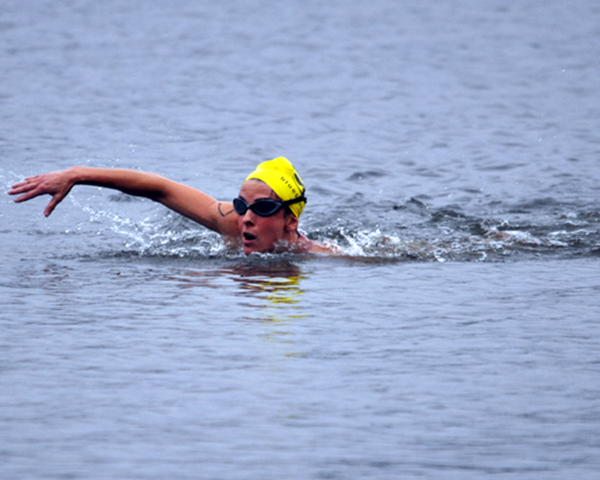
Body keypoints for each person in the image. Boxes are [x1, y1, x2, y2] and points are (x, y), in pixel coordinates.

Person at [8, 157, 338, 255]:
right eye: (241, 205)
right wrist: (77, 174)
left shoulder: (314, 258)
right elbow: (161, 189)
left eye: (262, 209)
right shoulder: (231, 223)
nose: (247, 219)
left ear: (291, 222)